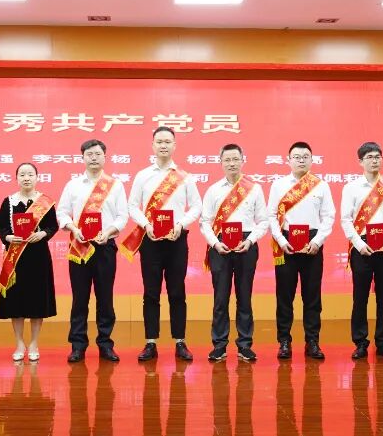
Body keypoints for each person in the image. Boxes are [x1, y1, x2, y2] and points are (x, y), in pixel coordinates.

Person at [123, 126, 202, 362]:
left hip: (177, 240)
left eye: (168, 141)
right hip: (151, 241)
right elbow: (132, 206)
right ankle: (150, 342)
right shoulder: (142, 176)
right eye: (159, 141)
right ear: (153, 145)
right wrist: (146, 224)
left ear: (174, 145)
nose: (163, 145)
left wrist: (181, 224)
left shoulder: (185, 177)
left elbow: (196, 206)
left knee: (177, 291)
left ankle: (180, 342)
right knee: (151, 292)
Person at [56, 139, 128, 362]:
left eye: (98, 154)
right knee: (80, 298)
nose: (94, 158)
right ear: (83, 157)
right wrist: (73, 228)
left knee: (105, 297)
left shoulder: (115, 185)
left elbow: (122, 216)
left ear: (105, 157)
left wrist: (108, 232)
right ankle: (78, 345)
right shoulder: (73, 185)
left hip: (105, 246)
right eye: (89, 154)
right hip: (80, 246)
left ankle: (105, 344)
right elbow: (62, 212)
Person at [199, 143, 268, 363]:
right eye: (227, 160)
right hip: (220, 246)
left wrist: (250, 240)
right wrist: (214, 244)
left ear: (242, 160)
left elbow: (263, 221)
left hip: (246, 244)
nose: (231, 163)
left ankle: (245, 345)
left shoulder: (254, 189)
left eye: (235, 159)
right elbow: (205, 221)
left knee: (244, 297)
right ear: (221, 163)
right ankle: (219, 345)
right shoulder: (213, 190)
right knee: (220, 298)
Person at [267, 141, 336, 359]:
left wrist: (318, 241)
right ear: (288, 160)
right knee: (284, 296)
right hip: (286, 243)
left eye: (305, 156)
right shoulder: (278, 185)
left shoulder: (320, 185)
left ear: (312, 159)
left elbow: (329, 216)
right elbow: (271, 216)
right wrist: (280, 240)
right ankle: (284, 341)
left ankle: (312, 341)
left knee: (312, 296)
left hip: (312, 243)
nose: (301, 160)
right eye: (296, 157)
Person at [340, 142, 383, 360]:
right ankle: (360, 342)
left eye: (377, 156)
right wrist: (359, 244)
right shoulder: (351, 188)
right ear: (360, 162)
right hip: (362, 246)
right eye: (369, 157)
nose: (374, 160)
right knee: (360, 298)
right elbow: (346, 220)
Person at [0, 162, 58, 362]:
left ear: (37, 177)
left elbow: (53, 226)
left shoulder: (45, 202)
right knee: (16, 302)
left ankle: (34, 343)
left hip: (38, 257)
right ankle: (19, 343)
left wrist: (43, 234)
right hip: (15, 257)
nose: (26, 178)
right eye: (22, 174)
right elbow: (1, 226)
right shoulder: (9, 201)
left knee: (37, 301)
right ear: (16, 178)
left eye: (30, 174)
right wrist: (7, 237)